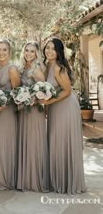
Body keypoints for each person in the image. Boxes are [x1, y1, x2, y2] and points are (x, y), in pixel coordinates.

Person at [40, 37, 85, 194]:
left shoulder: (58, 68)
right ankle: (58, 180)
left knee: (64, 142)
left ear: (59, 52)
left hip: (65, 107)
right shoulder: (47, 66)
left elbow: (67, 91)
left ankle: (67, 182)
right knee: (56, 142)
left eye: (53, 48)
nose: (49, 51)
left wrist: (47, 103)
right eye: (47, 48)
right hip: (54, 107)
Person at [16, 41, 49, 192]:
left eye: (32, 51)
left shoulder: (36, 70)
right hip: (24, 111)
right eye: (26, 51)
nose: (29, 54)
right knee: (26, 142)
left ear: (36, 54)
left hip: (35, 112)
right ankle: (26, 179)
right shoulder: (22, 69)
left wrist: (33, 99)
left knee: (34, 142)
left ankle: (35, 179)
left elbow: (44, 92)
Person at [0, 39, 20, 190]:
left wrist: (2, 106)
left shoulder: (12, 69)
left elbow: (16, 93)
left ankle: (7, 179)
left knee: (6, 143)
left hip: (7, 111)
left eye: (4, 50)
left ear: (10, 52)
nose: (1, 52)